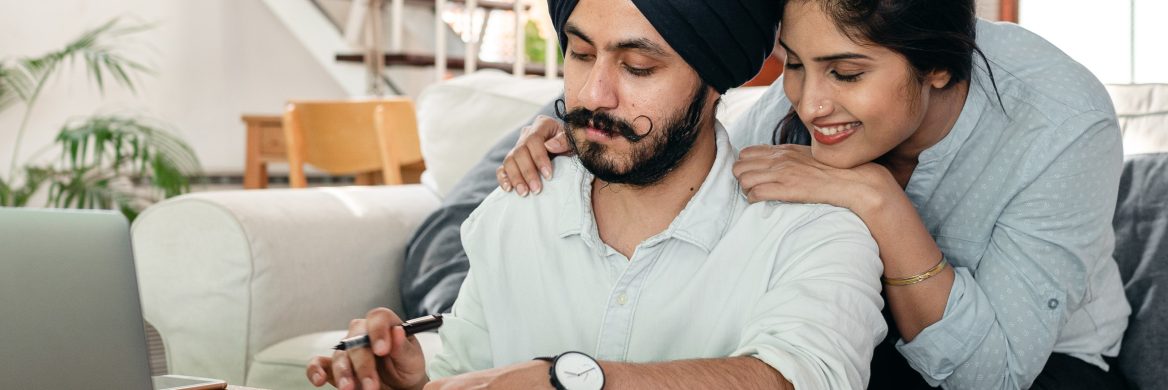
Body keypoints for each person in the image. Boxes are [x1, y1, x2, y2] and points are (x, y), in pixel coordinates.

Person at [496, 1, 1133, 389]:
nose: (809, 103)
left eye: (847, 73)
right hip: (860, 338)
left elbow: (991, 375)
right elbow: (696, 155)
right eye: (795, 65)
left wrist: (878, 200)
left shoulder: (1062, 123)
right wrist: (586, 134)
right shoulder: (789, 105)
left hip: (1039, 368)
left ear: (939, 67)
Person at [307, 0, 890, 389]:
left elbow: (805, 378)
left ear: (716, 81)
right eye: (581, 54)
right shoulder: (518, 205)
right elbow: (467, 368)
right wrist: (411, 382)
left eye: (637, 67)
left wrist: (568, 379)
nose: (593, 94)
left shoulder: (814, 231)